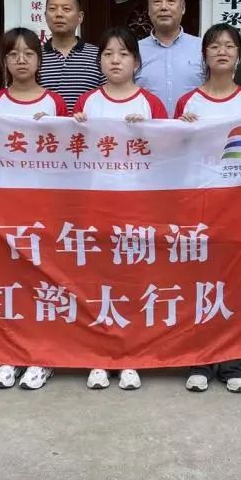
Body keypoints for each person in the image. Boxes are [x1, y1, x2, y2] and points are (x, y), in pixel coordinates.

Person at [74, 27, 168, 390]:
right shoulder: (86, 103)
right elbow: (69, 155)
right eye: (108, 54)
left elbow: (169, 154)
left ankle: (131, 356)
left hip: (138, 208)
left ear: (137, 62)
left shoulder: (151, 104)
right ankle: (98, 356)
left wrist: (150, 131)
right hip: (96, 206)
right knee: (98, 284)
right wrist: (73, 127)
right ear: (99, 61)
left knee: (134, 283)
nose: (115, 60)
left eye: (124, 54)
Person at [175, 23, 241, 394]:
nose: (222, 51)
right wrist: (181, 130)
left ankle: (233, 363)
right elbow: (173, 155)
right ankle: (200, 360)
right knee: (198, 284)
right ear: (205, 56)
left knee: (235, 285)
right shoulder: (187, 103)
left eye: (229, 46)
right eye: (214, 46)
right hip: (199, 207)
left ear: (239, 55)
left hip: (238, 207)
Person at [0, 27, 68, 392]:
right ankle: (10, 353)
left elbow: (69, 155)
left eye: (29, 54)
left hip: (45, 207)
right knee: (10, 283)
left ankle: (42, 356)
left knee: (43, 282)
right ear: (4, 60)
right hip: (4, 206)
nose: (21, 60)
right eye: (13, 54)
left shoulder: (55, 103)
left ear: (39, 60)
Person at [136, 0, 203, 112]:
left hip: (193, 124)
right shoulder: (133, 50)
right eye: (157, 1)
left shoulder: (203, 48)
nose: (164, 7)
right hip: (147, 125)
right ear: (149, 10)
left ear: (183, 8)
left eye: (171, 1)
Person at [39, 0, 104, 113]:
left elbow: (110, 97)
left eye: (66, 9)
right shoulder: (34, 57)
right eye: (52, 9)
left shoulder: (99, 56)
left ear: (80, 17)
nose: (58, 14)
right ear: (46, 16)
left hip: (87, 126)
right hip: (46, 126)